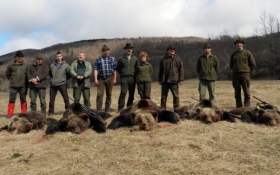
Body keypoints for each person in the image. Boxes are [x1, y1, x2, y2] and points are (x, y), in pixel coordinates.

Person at [230, 38, 256, 108]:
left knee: (247, 92)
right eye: (237, 43)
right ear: (235, 45)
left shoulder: (247, 53)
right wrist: (235, 70)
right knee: (237, 93)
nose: (239, 45)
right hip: (236, 75)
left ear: (242, 44)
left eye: (240, 43)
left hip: (245, 75)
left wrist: (248, 71)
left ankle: (247, 107)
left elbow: (253, 64)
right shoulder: (233, 55)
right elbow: (231, 65)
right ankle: (239, 107)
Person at [158, 45, 184, 110]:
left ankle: (176, 108)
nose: (172, 51)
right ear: (167, 51)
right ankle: (163, 109)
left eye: (173, 49)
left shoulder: (177, 59)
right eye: (171, 49)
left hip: (174, 80)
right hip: (165, 80)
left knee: (176, 96)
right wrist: (159, 79)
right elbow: (160, 70)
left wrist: (181, 79)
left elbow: (181, 70)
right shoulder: (163, 59)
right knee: (163, 96)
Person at [93, 45, 117, 112]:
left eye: (107, 51)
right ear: (102, 51)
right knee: (99, 95)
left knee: (109, 95)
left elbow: (115, 70)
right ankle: (99, 111)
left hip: (110, 78)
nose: (106, 52)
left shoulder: (113, 59)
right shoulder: (98, 59)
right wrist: (95, 79)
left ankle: (107, 110)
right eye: (105, 51)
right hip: (101, 78)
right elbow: (95, 69)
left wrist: (115, 79)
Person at [6, 51, 28, 118]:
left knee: (23, 100)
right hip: (13, 86)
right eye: (19, 57)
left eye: (21, 57)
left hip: (23, 86)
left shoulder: (25, 65)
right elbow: (8, 74)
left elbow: (27, 75)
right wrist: (12, 80)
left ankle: (24, 114)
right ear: (15, 58)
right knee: (11, 100)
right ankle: (10, 114)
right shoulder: (11, 66)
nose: (20, 58)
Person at [116, 43, 138, 112]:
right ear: (125, 49)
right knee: (123, 93)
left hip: (132, 78)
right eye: (128, 48)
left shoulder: (135, 59)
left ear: (132, 50)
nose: (129, 50)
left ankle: (129, 108)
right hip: (124, 78)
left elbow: (136, 68)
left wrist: (134, 76)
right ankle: (120, 108)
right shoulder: (121, 58)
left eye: (130, 48)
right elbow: (118, 68)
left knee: (131, 94)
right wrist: (122, 74)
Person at [48, 51, 71, 116]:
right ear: (55, 57)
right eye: (57, 56)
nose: (58, 57)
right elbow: (50, 73)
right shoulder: (52, 65)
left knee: (66, 98)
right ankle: (51, 112)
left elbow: (70, 73)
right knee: (51, 99)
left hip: (62, 84)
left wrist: (65, 79)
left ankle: (68, 111)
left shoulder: (66, 65)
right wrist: (53, 79)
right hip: (53, 84)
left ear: (62, 57)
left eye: (60, 56)